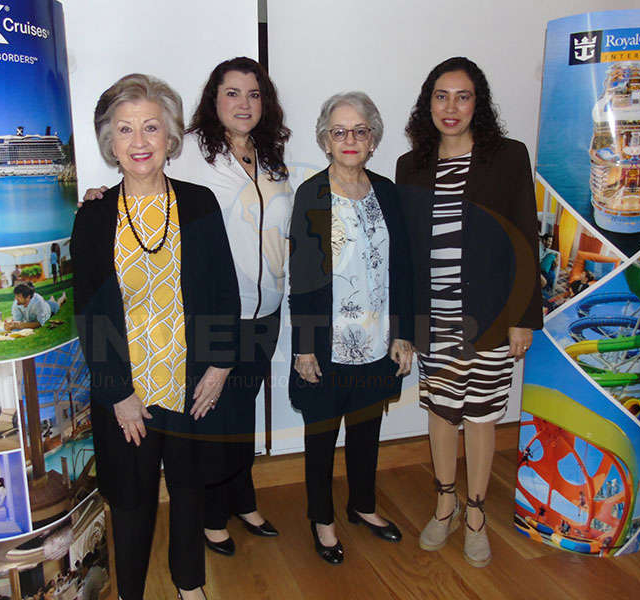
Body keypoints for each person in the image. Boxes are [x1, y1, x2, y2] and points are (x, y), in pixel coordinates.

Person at [84, 56, 292, 556]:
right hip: (216, 314)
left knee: (240, 419)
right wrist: (98, 200)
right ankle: (213, 516)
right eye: (232, 92)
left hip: (266, 309)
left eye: (254, 93)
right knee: (211, 426)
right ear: (211, 101)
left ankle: (242, 499)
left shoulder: (272, 156)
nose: (244, 103)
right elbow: (144, 172)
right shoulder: (195, 153)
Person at [72, 73, 240, 600]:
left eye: (151, 127)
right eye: (125, 130)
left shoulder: (200, 203)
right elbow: (90, 314)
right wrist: (118, 391)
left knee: (188, 492)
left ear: (170, 137)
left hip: (190, 384)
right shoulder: (94, 216)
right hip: (128, 394)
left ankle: (191, 584)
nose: (139, 141)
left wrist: (220, 365)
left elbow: (222, 292)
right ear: (110, 143)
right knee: (131, 500)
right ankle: (133, 592)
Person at [396, 57, 543, 568]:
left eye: (463, 96)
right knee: (440, 410)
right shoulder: (411, 165)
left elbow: (526, 235)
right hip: (433, 318)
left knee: (480, 414)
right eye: (441, 95)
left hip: (491, 314)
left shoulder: (507, 157)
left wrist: (525, 315)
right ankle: (445, 502)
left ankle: (475, 511)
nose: (451, 107)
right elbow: (406, 253)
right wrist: (406, 325)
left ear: (478, 103)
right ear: (427, 103)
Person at [288, 92, 413, 565]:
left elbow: (402, 268)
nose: (350, 139)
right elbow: (302, 277)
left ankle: (363, 506)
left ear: (374, 138)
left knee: (366, 433)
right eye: (339, 131)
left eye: (360, 130)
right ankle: (321, 518)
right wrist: (303, 348)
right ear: (324, 140)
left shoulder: (387, 191)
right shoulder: (311, 194)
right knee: (320, 438)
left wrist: (405, 333)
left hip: (378, 341)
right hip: (325, 345)